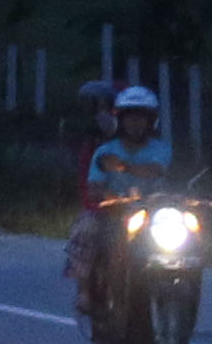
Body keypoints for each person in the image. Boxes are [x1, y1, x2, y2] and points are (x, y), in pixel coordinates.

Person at [69, 84, 178, 293]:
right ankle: (84, 289)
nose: (136, 123)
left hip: (154, 213)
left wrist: (123, 166)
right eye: (130, 118)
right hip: (113, 213)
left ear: (151, 121)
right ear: (120, 120)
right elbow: (94, 186)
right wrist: (110, 198)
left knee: (188, 234)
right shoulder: (105, 150)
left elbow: (156, 170)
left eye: (141, 118)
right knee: (86, 228)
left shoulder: (161, 149)